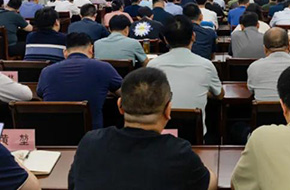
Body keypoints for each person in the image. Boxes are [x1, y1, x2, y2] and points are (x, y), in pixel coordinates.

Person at [68, 67, 217, 190]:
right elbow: (210, 184)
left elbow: (74, 183)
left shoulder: (89, 143)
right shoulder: (180, 153)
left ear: (120, 106)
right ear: (168, 110)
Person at [147, 16, 224, 136]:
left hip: (161, 133)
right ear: (193, 36)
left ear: (165, 40)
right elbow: (220, 95)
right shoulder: (206, 65)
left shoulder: (153, 65)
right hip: (195, 134)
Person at [37, 32, 122, 129]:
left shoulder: (47, 71)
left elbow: (40, 94)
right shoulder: (104, 67)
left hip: (53, 133)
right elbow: (125, 93)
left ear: (65, 52)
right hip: (92, 133)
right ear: (91, 49)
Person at [247, 27, 290, 101]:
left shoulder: (254, 67)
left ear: (265, 49)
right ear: (289, 47)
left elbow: (251, 90)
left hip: (264, 108)